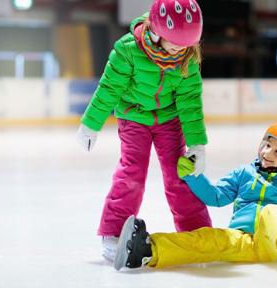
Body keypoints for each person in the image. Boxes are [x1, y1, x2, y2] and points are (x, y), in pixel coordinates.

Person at [75, 0, 211, 261]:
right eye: (174, 44)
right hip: (133, 117)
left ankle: (197, 232)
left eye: (186, 46)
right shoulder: (127, 50)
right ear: (157, 31)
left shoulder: (187, 57)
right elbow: (109, 89)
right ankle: (113, 233)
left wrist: (196, 144)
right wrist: (91, 124)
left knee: (180, 175)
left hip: (169, 120)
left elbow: (190, 101)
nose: (179, 51)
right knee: (132, 173)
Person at [113, 122, 277, 275]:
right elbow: (216, 196)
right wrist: (194, 176)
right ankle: (147, 249)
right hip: (240, 239)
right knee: (208, 238)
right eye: (267, 144)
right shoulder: (245, 173)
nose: (267, 152)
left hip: (273, 244)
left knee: (272, 211)